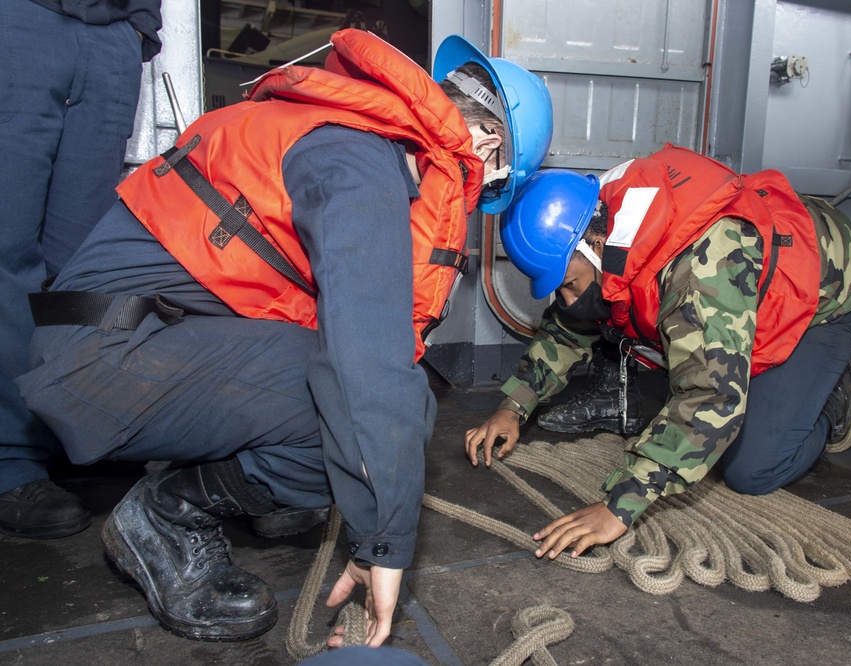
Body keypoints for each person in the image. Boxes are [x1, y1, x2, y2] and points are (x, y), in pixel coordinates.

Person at [16, 29, 552, 644]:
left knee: (349, 392)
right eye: (485, 186)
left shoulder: (339, 131)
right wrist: (385, 542)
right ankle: (166, 514)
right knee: (377, 408)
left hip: (119, 331)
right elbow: (370, 371)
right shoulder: (359, 167)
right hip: (100, 359)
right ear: (485, 144)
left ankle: (248, 477)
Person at [465, 144, 851, 561]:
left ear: (596, 243)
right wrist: (514, 406)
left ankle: (825, 409)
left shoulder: (697, 271)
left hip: (823, 296)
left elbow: (712, 396)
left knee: (751, 470)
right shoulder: (598, 224)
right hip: (748, 290)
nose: (567, 299)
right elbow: (568, 325)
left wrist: (617, 507)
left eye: (569, 284)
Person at [0, 0, 162, 539]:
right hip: (20, 20)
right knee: (7, 250)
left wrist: (138, 27)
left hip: (111, 32)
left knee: (82, 266)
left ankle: (76, 432)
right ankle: (11, 457)